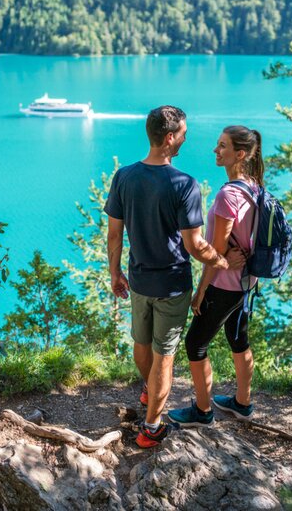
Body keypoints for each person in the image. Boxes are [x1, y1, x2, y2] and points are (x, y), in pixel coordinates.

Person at [105, 106, 245, 448]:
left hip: (138, 281)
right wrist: (223, 262)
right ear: (169, 138)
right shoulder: (184, 184)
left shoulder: (124, 176)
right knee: (163, 358)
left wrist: (115, 272)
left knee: (142, 348)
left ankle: (148, 391)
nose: (186, 138)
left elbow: (114, 234)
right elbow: (195, 245)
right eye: (182, 133)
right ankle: (151, 427)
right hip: (171, 286)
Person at [168, 125, 263, 427]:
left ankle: (203, 411)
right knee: (239, 340)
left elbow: (215, 252)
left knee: (195, 343)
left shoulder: (227, 196)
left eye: (223, 146)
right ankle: (243, 403)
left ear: (241, 154)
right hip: (247, 283)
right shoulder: (255, 187)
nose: (215, 150)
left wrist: (201, 291)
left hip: (224, 285)